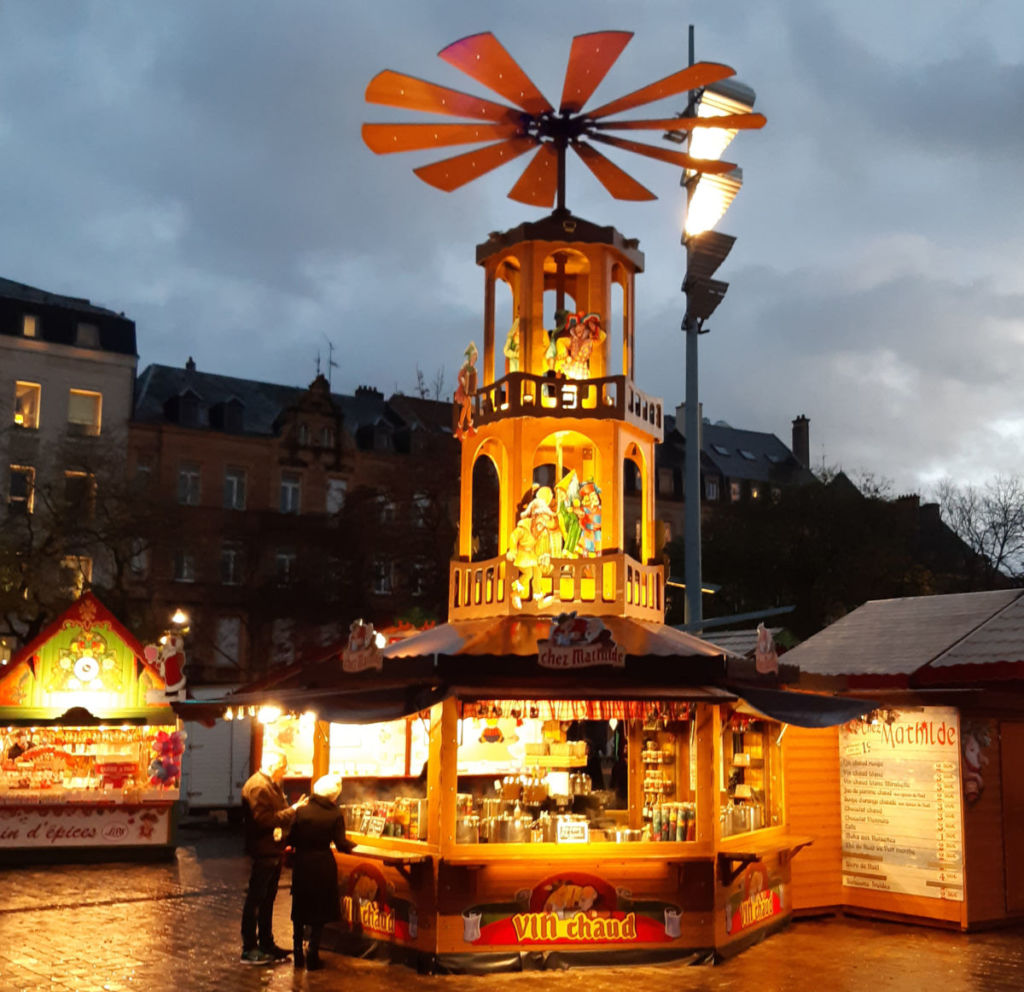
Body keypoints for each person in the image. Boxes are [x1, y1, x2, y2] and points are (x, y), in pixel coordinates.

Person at [240, 750, 307, 966]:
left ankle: (266, 943)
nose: (285, 770)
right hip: (264, 850)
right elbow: (264, 820)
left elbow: (277, 811)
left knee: (267, 899)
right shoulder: (259, 787)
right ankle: (249, 948)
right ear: (273, 765)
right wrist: (293, 810)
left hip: (273, 849)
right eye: (283, 766)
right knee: (257, 899)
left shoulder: (270, 785)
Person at [289, 772, 353, 970]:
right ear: (334, 795)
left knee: (300, 907)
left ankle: (297, 951)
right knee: (319, 909)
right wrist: (354, 844)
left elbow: (290, 838)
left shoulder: (302, 811)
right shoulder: (334, 814)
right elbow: (341, 844)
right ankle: (313, 953)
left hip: (302, 863)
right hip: (323, 864)